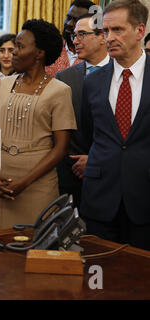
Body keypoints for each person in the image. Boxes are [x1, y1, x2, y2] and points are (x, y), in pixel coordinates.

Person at [0, 19, 76, 229]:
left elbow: (61, 148)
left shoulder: (60, 91)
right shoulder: (4, 84)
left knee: (36, 245)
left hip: (38, 182)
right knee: (0, 246)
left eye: (20, 46)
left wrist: (24, 182)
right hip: (1, 180)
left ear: (39, 53)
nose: (13, 52)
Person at [80, 0, 150, 251]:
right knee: (97, 280)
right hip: (99, 199)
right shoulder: (92, 82)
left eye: (117, 30)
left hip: (145, 201)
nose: (109, 38)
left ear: (140, 31)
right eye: (105, 31)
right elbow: (90, 133)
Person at [56, 13, 109, 209]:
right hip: (71, 175)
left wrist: (95, 159)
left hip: (110, 174)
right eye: (74, 36)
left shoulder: (120, 73)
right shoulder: (64, 78)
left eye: (82, 35)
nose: (75, 41)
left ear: (102, 36)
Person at [45, 0, 95, 77]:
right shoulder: (49, 46)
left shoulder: (96, 52)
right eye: (68, 17)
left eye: (76, 20)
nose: (69, 23)